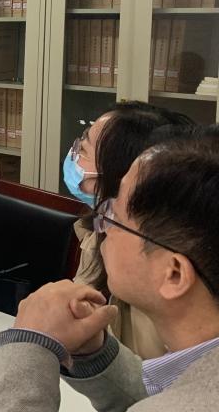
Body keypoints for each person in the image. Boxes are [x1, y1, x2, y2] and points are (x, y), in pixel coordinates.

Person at [0, 135, 219, 412]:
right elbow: (181, 411)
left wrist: (26, 351)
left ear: (174, 273)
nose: (101, 226)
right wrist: (97, 356)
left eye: (113, 216)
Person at [66, 101, 192, 359]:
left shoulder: (156, 268)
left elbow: (153, 376)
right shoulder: (98, 234)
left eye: (84, 149)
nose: (74, 154)